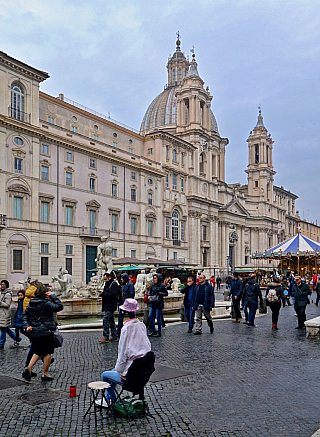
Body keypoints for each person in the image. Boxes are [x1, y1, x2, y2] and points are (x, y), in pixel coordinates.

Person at [99, 298, 151, 405]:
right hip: (142, 371)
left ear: (124, 312)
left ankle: (112, 400)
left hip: (131, 375)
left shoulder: (126, 329)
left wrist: (119, 369)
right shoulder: (141, 325)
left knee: (105, 375)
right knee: (113, 371)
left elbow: (122, 354)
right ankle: (107, 398)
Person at [22, 286, 63, 381]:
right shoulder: (47, 303)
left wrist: (26, 327)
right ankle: (43, 373)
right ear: (45, 294)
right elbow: (59, 306)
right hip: (46, 331)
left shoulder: (31, 303)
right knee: (47, 352)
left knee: (39, 350)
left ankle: (29, 368)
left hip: (34, 331)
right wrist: (53, 296)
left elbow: (25, 317)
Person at [99, 272, 119, 343]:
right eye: (104, 279)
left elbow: (113, 295)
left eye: (105, 279)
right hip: (107, 305)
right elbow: (107, 294)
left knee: (106, 320)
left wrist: (103, 293)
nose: (105, 280)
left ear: (109, 277)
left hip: (111, 305)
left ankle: (106, 337)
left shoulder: (113, 284)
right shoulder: (107, 284)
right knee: (111, 321)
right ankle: (114, 336)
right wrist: (102, 294)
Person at [0, 280, 20, 348]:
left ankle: (1, 343)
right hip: (1, 313)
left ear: (6, 285)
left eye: (3, 284)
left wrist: (0, 303)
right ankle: (17, 338)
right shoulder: (1, 292)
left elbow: (7, 304)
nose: (2, 286)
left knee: (3, 328)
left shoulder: (8, 294)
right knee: (6, 328)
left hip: (4, 314)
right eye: (1, 284)